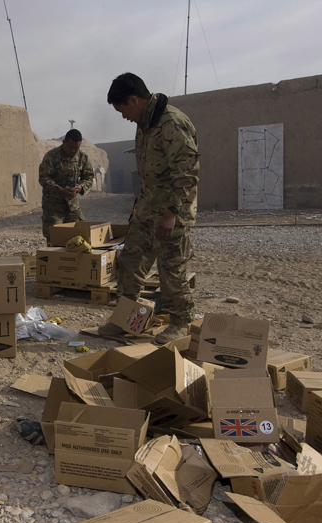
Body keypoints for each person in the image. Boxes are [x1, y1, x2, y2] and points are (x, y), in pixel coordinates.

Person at [98, 73, 199, 344]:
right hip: (146, 210)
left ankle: (181, 323)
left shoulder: (171, 123)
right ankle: (125, 319)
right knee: (130, 263)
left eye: (123, 110)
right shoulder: (145, 124)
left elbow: (187, 172)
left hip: (170, 214)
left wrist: (171, 214)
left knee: (172, 270)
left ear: (134, 99)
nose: (123, 117)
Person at [38, 129, 95, 244]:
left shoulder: (83, 158)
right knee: (55, 237)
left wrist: (81, 187)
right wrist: (59, 189)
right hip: (53, 205)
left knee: (78, 237)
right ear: (63, 142)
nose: (72, 151)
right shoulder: (51, 156)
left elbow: (89, 176)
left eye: (76, 148)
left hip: (72, 205)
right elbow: (43, 178)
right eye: (70, 147)